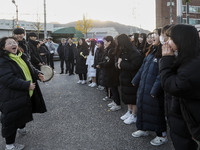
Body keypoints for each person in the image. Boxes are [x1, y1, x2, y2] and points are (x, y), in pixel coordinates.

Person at [0, 37, 47, 150]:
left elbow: (29, 68)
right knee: (11, 118)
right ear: (3, 47)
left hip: (23, 93)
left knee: (22, 111)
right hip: (10, 95)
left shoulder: (21, 56)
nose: (13, 44)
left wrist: (38, 74)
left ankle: (21, 128)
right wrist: (27, 85)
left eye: (14, 42)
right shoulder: (3, 60)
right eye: (9, 43)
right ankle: (10, 145)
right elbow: (8, 79)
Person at [160, 24, 200, 150]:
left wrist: (166, 60)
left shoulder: (193, 65)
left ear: (181, 40)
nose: (167, 42)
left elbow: (172, 86)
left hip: (191, 121)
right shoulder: (188, 57)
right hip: (183, 116)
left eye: (171, 38)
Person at [131, 28, 168, 146]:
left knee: (156, 111)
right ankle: (143, 128)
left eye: (156, 35)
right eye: (152, 34)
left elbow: (162, 74)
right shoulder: (153, 50)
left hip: (153, 88)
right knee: (143, 107)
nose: (152, 37)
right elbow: (143, 67)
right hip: (144, 86)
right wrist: (136, 79)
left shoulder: (164, 51)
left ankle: (161, 135)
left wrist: (155, 89)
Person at [115, 34, 143, 124]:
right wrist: (119, 64)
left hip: (132, 78)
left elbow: (135, 65)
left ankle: (134, 115)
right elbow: (117, 63)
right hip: (125, 77)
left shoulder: (133, 51)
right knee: (127, 96)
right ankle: (129, 111)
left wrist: (121, 64)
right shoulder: (123, 51)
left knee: (133, 97)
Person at [98, 36, 121, 111]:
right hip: (109, 72)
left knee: (114, 88)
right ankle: (114, 101)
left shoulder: (112, 50)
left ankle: (117, 104)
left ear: (109, 42)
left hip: (112, 72)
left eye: (105, 41)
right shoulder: (108, 49)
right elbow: (105, 60)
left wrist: (101, 64)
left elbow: (109, 62)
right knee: (112, 87)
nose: (104, 43)